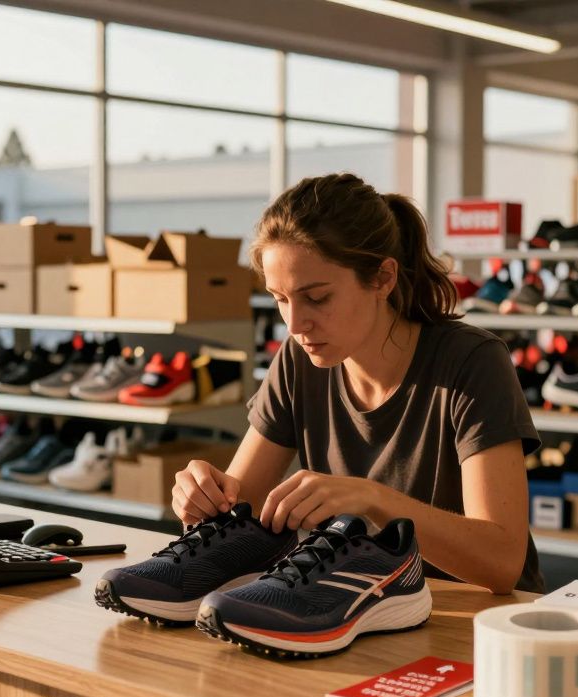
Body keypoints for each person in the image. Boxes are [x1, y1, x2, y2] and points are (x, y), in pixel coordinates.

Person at [171, 173, 543, 594]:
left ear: (383, 278)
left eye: (317, 297)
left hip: (478, 620)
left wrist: (375, 501)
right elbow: (241, 510)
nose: (294, 324)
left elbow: (502, 563)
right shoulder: (299, 359)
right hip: (355, 605)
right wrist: (204, 497)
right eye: (280, 298)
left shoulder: (472, 361)